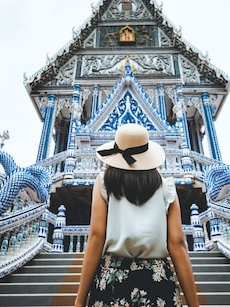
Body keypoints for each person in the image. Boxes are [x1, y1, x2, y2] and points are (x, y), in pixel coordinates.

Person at [74, 123, 200, 307]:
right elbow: (177, 244)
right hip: (157, 280)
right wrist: (194, 305)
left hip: (113, 278)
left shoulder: (104, 183)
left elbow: (96, 237)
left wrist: (79, 301)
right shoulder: (166, 187)